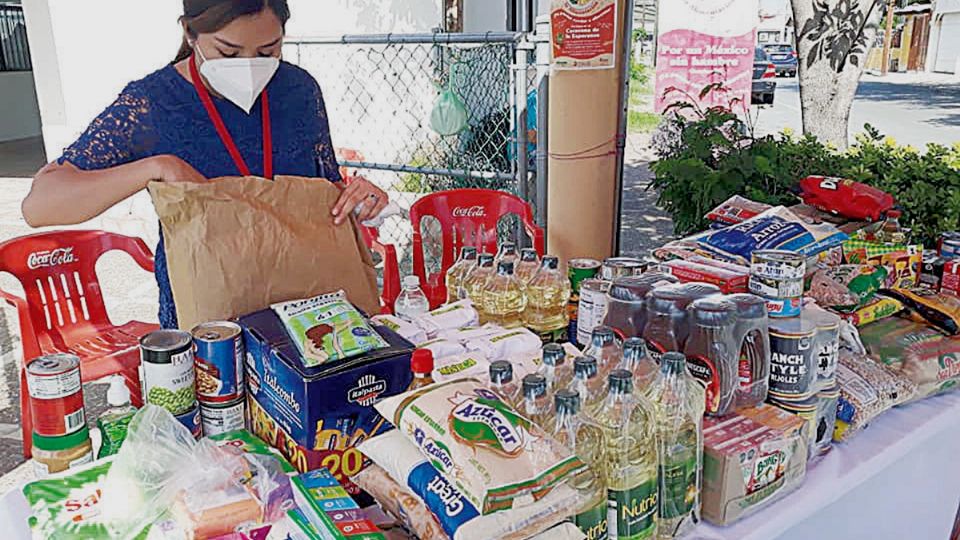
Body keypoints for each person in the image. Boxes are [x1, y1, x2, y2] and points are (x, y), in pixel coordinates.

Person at [21, 0, 389, 329]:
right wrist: (154, 167)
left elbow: (324, 188)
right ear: (190, 32)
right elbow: (40, 205)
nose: (249, 66)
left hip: (309, 310)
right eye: (228, 53)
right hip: (212, 322)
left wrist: (357, 196)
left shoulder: (299, 90)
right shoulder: (153, 103)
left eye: (267, 50)